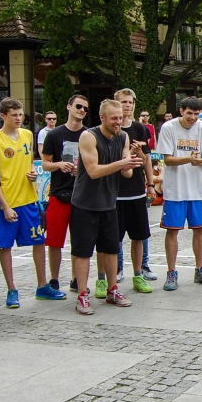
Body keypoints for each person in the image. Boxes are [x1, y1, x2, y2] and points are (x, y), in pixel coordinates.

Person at [0, 97, 66, 308]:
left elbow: (30, 163)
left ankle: (42, 286)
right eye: (14, 115)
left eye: (21, 114)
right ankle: (11, 290)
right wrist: (4, 205)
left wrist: (32, 173)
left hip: (29, 199)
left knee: (39, 242)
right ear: (3, 116)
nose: (18, 119)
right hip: (8, 202)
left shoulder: (27, 134)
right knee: (6, 247)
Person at [71, 100, 143, 314]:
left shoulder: (123, 136)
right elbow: (93, 171)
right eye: (114, 118)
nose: (118, 122)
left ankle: (113, 290)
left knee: (111, 248)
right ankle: (82, 295)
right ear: (102, 118)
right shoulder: (88, 136)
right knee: (83, 251)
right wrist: (122, 164)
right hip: (84, 203)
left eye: (120, 118)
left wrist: (131, 162)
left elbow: (126, 173)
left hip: (109, 202)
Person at [158, 97, 202, 290]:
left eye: (196, 114)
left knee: (200, 229)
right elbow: (167, 160)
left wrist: (200, 161)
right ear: (181, 111)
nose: (192, 117)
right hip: (175, 189)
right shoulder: (168, 127)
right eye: (189, 113)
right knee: (172, 231)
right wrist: (188, 160)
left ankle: (200, 269)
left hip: (197, 189)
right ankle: (171, 272)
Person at [40, 95, 88, 294]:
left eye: (85, 108)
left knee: (79, 242)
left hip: (82, 195)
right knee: (54, 241)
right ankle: (54, 279)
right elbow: (45, 163)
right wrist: (59, 165)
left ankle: (76, 279)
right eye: (78, 106)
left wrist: (82, 169)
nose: (82, 110)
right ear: (69, 107)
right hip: (59, 194)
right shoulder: (55, 134)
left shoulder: (89, 134)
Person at [113, 89, 154, 294]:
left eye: (130, 102)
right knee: (114, 237)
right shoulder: (111, 129)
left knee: (138, 236)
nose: (127, 105)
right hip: (115, 191)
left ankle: (138, 273)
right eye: (123, 102)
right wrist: (129, 153)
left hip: (137, 189)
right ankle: (116, 271)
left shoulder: (140, 128)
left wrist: (151, 183)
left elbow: (147, 159)